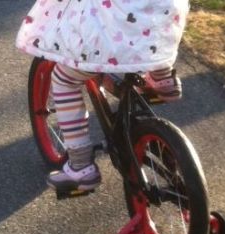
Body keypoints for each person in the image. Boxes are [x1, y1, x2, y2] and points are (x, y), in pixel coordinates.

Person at [16, 0, 189, 192]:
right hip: (162, 20)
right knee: (151, 29)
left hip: (113, 28)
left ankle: (80, 166)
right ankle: (163, 78)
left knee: (64, 79)